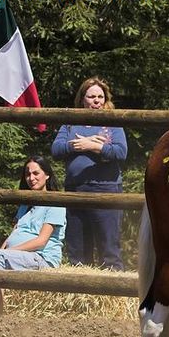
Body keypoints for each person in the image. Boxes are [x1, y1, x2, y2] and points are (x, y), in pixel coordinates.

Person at [51, 77, 127, 271]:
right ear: (82, 98)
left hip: (106, 190)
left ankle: (111, 293)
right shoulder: (70, 123)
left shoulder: (112, 122)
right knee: (77, 249)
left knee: (109, 248)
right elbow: (56, 149)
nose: (96, 100)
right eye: (91, 96)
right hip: (75, 191)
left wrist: (95, 146)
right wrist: (79, 144)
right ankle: (80, 292)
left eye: (100, 96)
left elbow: (121, 152)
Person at [0, 156, 66, 315]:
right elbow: (15, 232)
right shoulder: (25, 203)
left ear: (47, 175)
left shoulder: (55, 202)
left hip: (40, 257)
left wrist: (7, 253)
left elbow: (41, 241)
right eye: (27, 174)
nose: (31, 178)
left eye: (36, 173)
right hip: (18, 255)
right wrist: (2, 250)